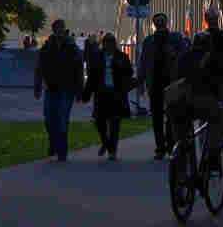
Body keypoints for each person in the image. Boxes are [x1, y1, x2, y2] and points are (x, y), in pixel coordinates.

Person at [170, 31, 223, 171]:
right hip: (204, 101)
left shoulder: (183, 58)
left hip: (180, 104)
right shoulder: (215, 58)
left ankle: (181, 165)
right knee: (219, 117)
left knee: (182, 134)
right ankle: (213, 156)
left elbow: (173, 79)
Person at [34, 19, 84, 162]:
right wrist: (38, 87)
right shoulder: (47, 47)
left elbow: (79, 69)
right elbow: (39, 68)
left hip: (67, 89)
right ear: (54, 30)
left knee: (62, 120)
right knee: (49, 119)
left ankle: (62, 150)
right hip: (51, 89)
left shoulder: (72, 47)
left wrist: (79, 89)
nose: (59, 31)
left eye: (61, 29)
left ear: (64, 29)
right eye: (57, 29)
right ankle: (54, 144)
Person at [139, 12, 187, 160]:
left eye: (162, 22)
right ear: (154, 24)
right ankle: (160, 147)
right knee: (157, 117)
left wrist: (173, 54)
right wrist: (141, 80)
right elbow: (143, 62)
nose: (160, 24)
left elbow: (184, 56)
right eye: (157, 22)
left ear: (166, 23)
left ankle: (171, 144)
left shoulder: (175, 38)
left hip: (172, 82)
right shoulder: (148, 41)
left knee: (172, 115)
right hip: (155, 82)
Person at [82, 32, 133, 160]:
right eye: (106, 43)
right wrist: (86, 94)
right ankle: (105, 142)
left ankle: (112, 150)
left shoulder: (122, 57)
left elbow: (129, 72)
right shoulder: (97, 57)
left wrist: (121, 69)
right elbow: (92, 77)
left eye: (111, 43)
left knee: (115, 123)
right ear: (103, 45)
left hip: (116, 93)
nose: (108, 46)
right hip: (101, 93)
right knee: (99, 121)